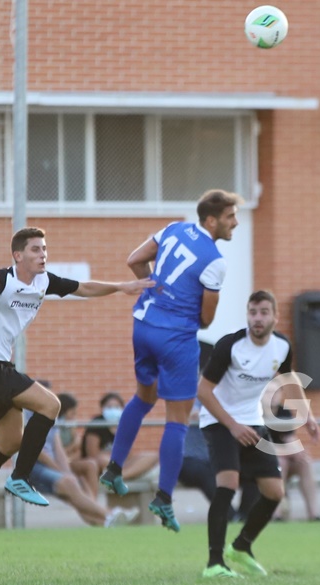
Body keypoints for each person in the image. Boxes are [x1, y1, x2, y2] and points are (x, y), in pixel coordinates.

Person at [0, 227, 152, 534]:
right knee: (50, 404)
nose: (43, 254)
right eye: (35, 250)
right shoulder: (3, 280)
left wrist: (122, 286)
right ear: (18, 256)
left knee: (11, 441)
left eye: (44, 249)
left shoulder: (44, 281)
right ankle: (20, 478)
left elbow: (85, 287)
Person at [100, 189, 242, 532]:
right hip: (176, 339)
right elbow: (206, 319)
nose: (235, 222)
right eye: (229, 217)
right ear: (211, 220)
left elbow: (135, 260)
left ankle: (114, 469)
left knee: (143, 397)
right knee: (177, 420)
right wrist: (181, 305)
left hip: (143, 325)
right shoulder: (215, 261)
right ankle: (164, 498)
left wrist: (155, 290)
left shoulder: (173, 229)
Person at [196, 290, 320, 578]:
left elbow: (288, 382)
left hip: (252, 421)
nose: (257, 318)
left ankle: (241, 546)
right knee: (228, 484)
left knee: (274, 492)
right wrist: (232, 426)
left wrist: (308, 416)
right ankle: (214, 563)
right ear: (247, 315)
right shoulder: (230, 345)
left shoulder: (281, 346)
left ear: (275, 317)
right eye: (253, 312)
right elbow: (203, 390)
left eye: (264, 312)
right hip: (219, 421)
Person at [21, 393, 137, 528]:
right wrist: (62, 471)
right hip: (37, 467)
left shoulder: (53, 419)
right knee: (70, 482)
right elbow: (39, 452)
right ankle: (108, 514)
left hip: (57, 465)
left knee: (82, 475)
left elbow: (60, 452)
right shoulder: (26, 418)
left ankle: (101, 519)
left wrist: (66, 471)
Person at [81, 392, 157, 494]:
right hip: (104, 463)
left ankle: (120, 476)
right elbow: (93, 455)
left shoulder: (124, 424)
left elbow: (129, 455)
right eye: (109, 407)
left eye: (116, 407)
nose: (113, 410)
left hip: (121, 464)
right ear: (102, 408)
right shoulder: (97, 424)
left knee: (153, 456)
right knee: (103, 459)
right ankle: (118, 475)